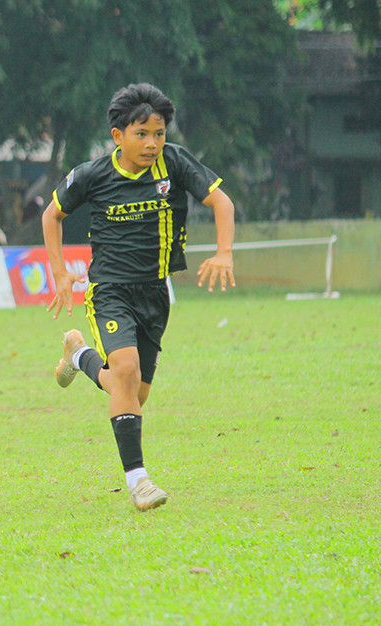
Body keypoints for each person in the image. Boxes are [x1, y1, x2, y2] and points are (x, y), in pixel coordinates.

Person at [42, 82, 235, 512]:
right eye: (141, 134)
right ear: (118, 136)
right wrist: (59, 273)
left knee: (132, 393)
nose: (152, 143)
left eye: (159, 133)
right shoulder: (92, 174)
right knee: (125, 373)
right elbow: (51, 214)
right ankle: (139, 481)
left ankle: (78, 355)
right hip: (109, 289)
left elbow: (222, 203)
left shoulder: (174, 163)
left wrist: (224, 252)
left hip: (155, 291)